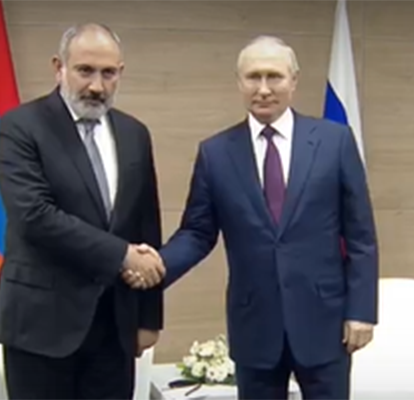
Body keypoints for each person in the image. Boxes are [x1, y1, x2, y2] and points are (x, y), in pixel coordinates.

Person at [136, 36, 379, 400]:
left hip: (325, 324)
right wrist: (155, 266)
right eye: (253, 77)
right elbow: (198, 233)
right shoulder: (216, 153)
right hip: (255, 326)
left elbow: (361, 235)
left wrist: (361, 311)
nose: (263, 88)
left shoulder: (335, 141)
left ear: (293, 80)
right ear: (239, 82)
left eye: (274, 76)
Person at [0, 23, 165, 400]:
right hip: (41, 326)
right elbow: (35, 216)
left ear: (120, 72)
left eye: (108, 73)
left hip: (114, 327)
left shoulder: (134, 133)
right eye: (85, 70)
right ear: (59, 67)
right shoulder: (21, 126)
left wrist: (149, 316)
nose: (97, 86)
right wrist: (122, 254)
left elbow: (146, 223)